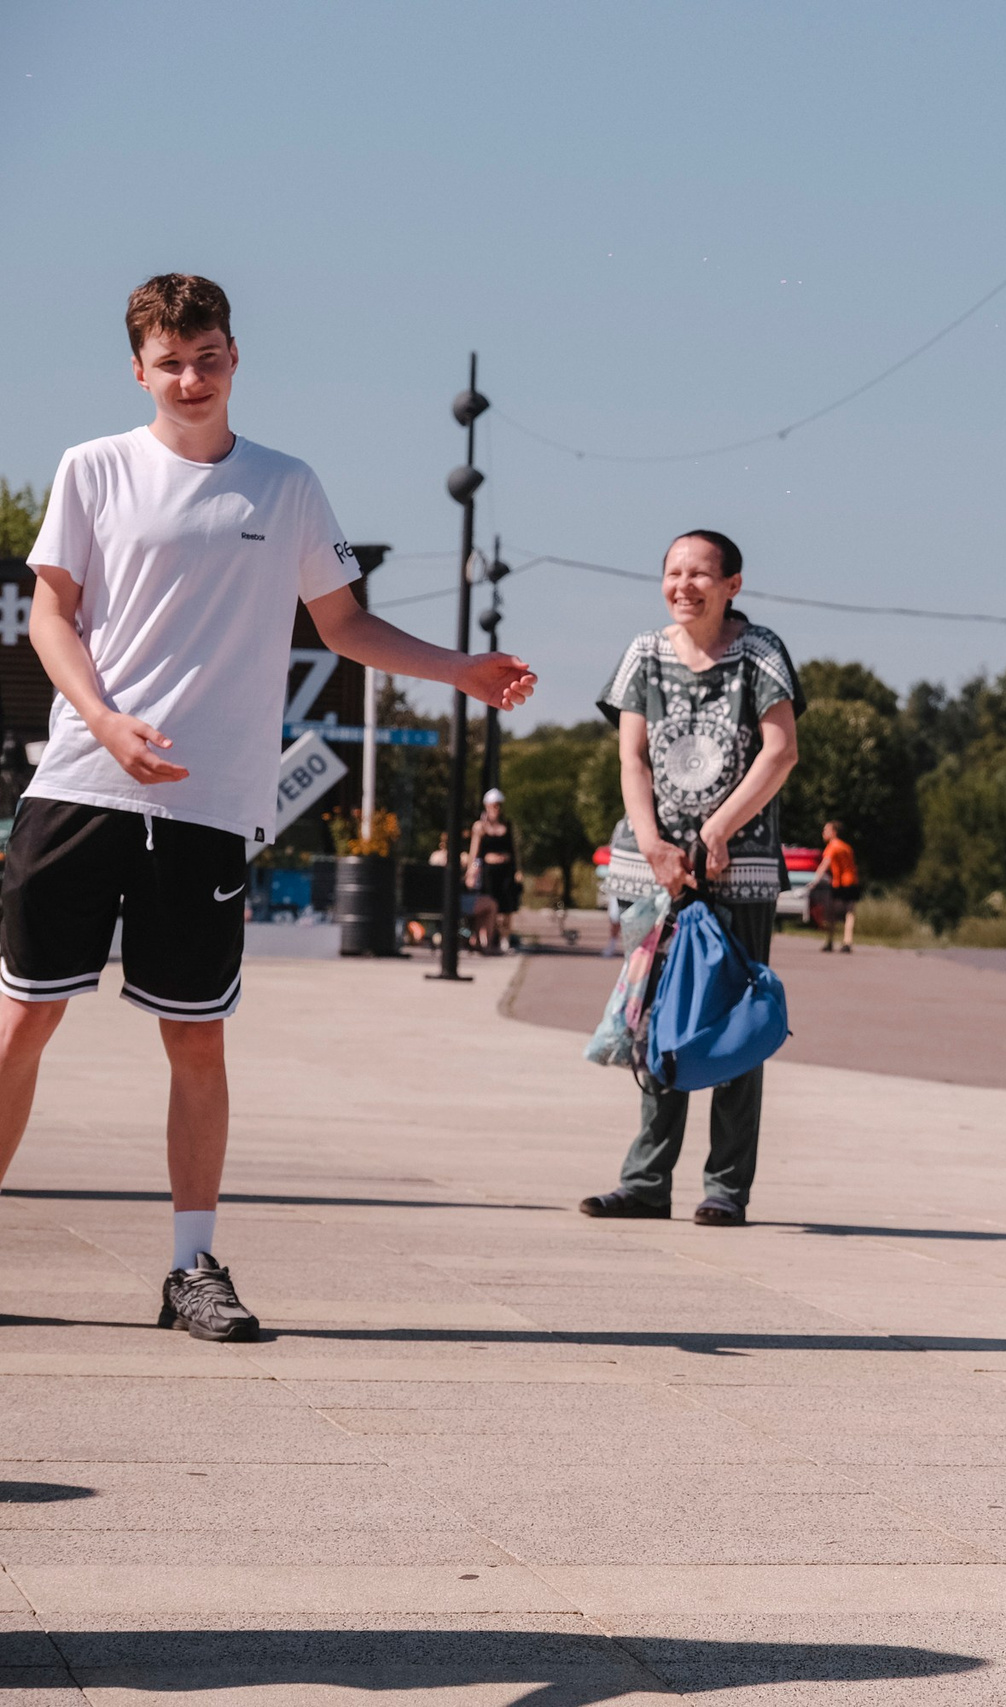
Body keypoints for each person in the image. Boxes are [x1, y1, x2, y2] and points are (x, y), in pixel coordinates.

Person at [0, 273, 536, 1341]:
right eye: (169, 363)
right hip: (81, 784)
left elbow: (343, 628)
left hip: (209, 805)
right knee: (22, 1022)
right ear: (139, 370)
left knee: (196, 1041)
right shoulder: (93, 469)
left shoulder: (286, 486)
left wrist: (459, 668)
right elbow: (52, 618)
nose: (190, 379)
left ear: (235, 358)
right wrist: (104, 721)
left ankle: (192, 1269)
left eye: (207, 358)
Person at [575, 529, 800, 1228]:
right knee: (657, 1023)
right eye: (673, 572)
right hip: (657, 871)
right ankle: (646, 1180)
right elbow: (632, 758)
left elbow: (781, 750)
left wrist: (716, 831)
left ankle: (725, 1187)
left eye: (701, 573)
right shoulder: (644, 653)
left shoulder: (759, 653)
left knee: (733, 1021)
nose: (684, 585)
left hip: (740, 866)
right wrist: (653, 842)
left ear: (733, 583)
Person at [466, 788, 520, 953]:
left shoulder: (507, 826)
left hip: (505, 871)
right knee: (489, 904)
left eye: (498, 806)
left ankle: (504, 938)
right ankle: (486, 939)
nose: (496, 809)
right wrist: (470, 872)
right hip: (489, 873)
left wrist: (518, 870)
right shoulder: (480, 827)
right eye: (493, 806)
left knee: (505, 907)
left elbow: (513, 850)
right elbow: (474, 852)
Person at [817, 819, 860, 953]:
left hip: (839, 883)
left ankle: (830, 941)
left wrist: (814, 880)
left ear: (833, 832)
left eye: (826, 830)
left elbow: (825, 864)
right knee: (849, 912)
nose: (823, 832)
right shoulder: (846, 847)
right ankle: (847, 941)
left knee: (832, 912)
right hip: (852, 882)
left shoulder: (832, 846)